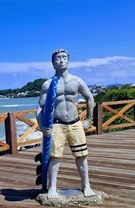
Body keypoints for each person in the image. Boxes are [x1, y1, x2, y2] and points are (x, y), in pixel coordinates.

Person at [36, 48, 96, 198]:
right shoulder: (48, 84)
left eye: (64, 57)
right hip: (57, 124)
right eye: (58, 58)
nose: (61, 60)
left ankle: (86, 185)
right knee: (54, 157)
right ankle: (52, 188)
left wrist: (88, 119)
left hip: (75, 123)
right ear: (52, 63)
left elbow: (90, 98)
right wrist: (42, 127)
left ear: (68, 61)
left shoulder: (76, 81)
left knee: (82, 156)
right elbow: (39, 108)